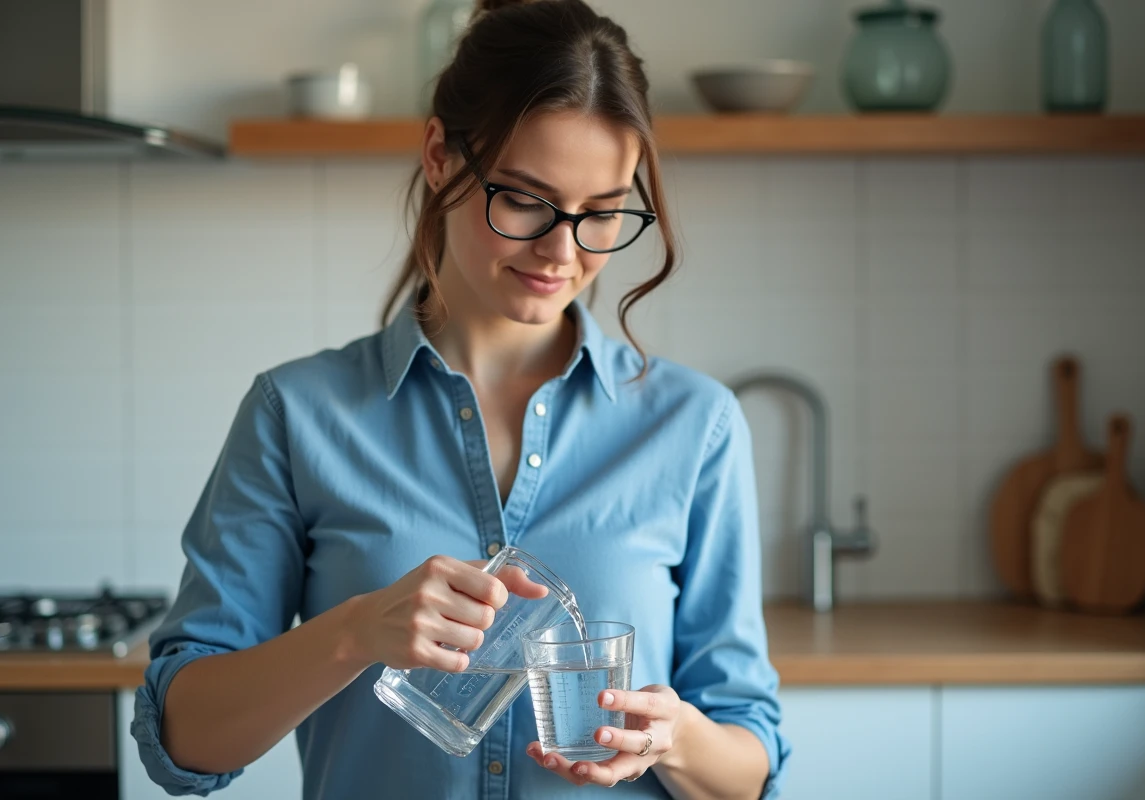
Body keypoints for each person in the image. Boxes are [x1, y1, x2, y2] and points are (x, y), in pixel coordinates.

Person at [131, 0, 790, 797]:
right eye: (524, 199)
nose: (562, 250)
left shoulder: (695, 424)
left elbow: (749, 766)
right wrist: (353, 632)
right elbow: (181, 742)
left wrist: (677, 739)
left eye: (603, 213)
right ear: (440, 155)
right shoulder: (295, 414)